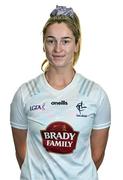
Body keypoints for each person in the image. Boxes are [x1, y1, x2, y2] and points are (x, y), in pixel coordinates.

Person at [10, 5, 111, 180]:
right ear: (43, 45)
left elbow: (96, 155)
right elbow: (21, 154)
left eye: (65, 41)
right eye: (51, 41)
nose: (58, 49)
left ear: (77, 45)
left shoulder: (96, 95)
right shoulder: (24, 94)